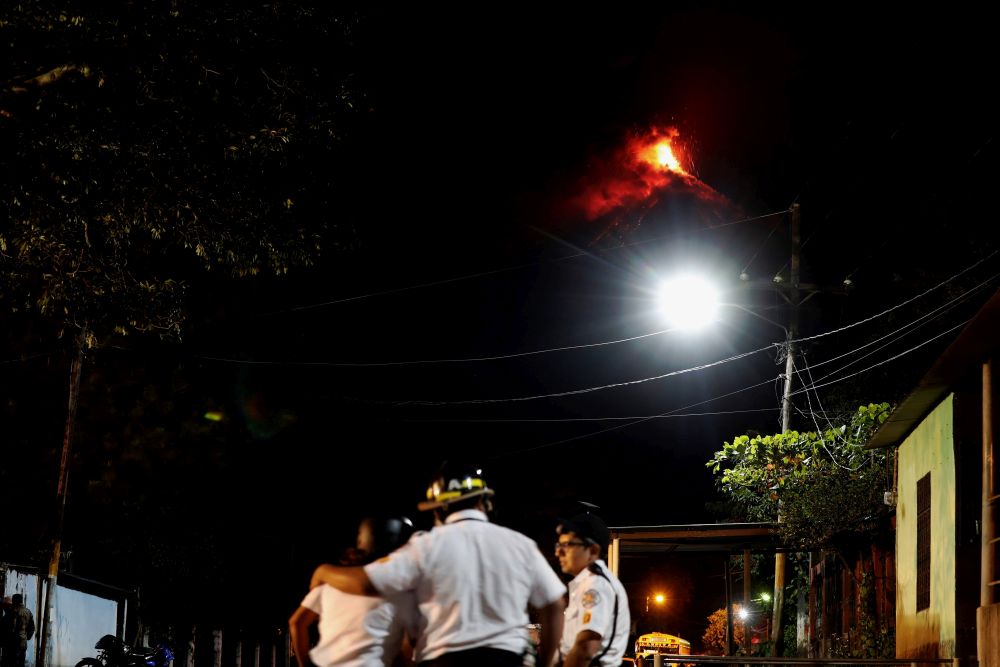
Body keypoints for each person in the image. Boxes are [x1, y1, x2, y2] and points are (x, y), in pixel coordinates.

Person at [311, 464, 566, 667]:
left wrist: (324, 571)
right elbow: (554, 604)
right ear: (483, 502)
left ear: (439, 510)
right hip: (506, 658)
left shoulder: (424, 546)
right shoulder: (519, 544)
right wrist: (544, 661)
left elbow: (365, 583)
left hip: (443, 659)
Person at [290, 515, 417, 667]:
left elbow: (296, 623)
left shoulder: (332, 581)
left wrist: (304, 664)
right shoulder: (402, 590)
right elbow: (407, 649)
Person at [553, 513, 629, 667]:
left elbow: (585, 647)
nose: (558, 552)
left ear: (593, 550)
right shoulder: (589, 583)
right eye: (558, 545)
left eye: (567, 545)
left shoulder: (596, 585)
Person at [2, 594, 34, 667]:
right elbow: (32, 628)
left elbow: (7, 627)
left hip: (13, 643)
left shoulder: (12, 612)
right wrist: (26, 637)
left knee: (13, 662)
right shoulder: (28, 612)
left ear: (15, 601)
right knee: (21, 662)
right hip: (23, 643)